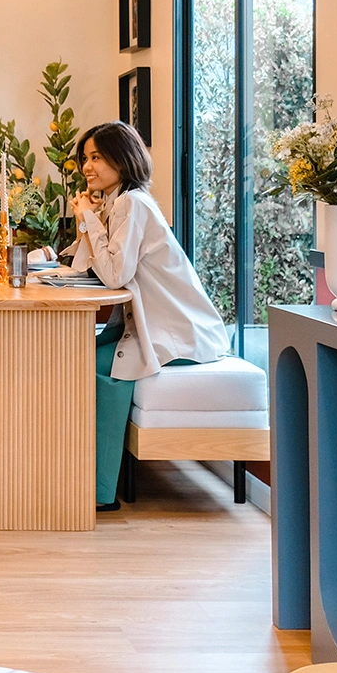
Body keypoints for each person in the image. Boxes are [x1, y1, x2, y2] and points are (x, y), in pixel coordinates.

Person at [66, 121, 230, 509]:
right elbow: (87, 267)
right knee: (77, 356)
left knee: (95, 368)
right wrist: (88, 219)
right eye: (85, 158)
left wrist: (89, 219)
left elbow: (114, 275)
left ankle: (99, 492)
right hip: (148, 327)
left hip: (178, 334)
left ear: (122, 159)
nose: (87, 167)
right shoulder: (119, 201)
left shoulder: (132, 204)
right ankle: (79, 473)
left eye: (96, 157)